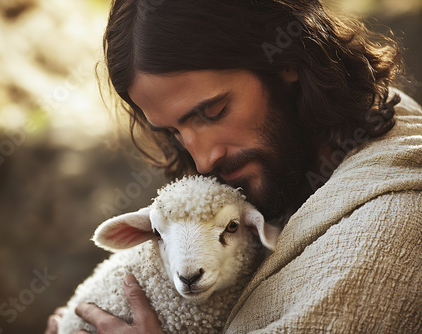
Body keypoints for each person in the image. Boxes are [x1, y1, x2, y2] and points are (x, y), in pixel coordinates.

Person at [46, 0, 422, 333]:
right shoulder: (327, 143)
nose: (202, 160)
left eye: (213, 112)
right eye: (175, 131)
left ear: (286, 61)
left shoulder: (384, 233)